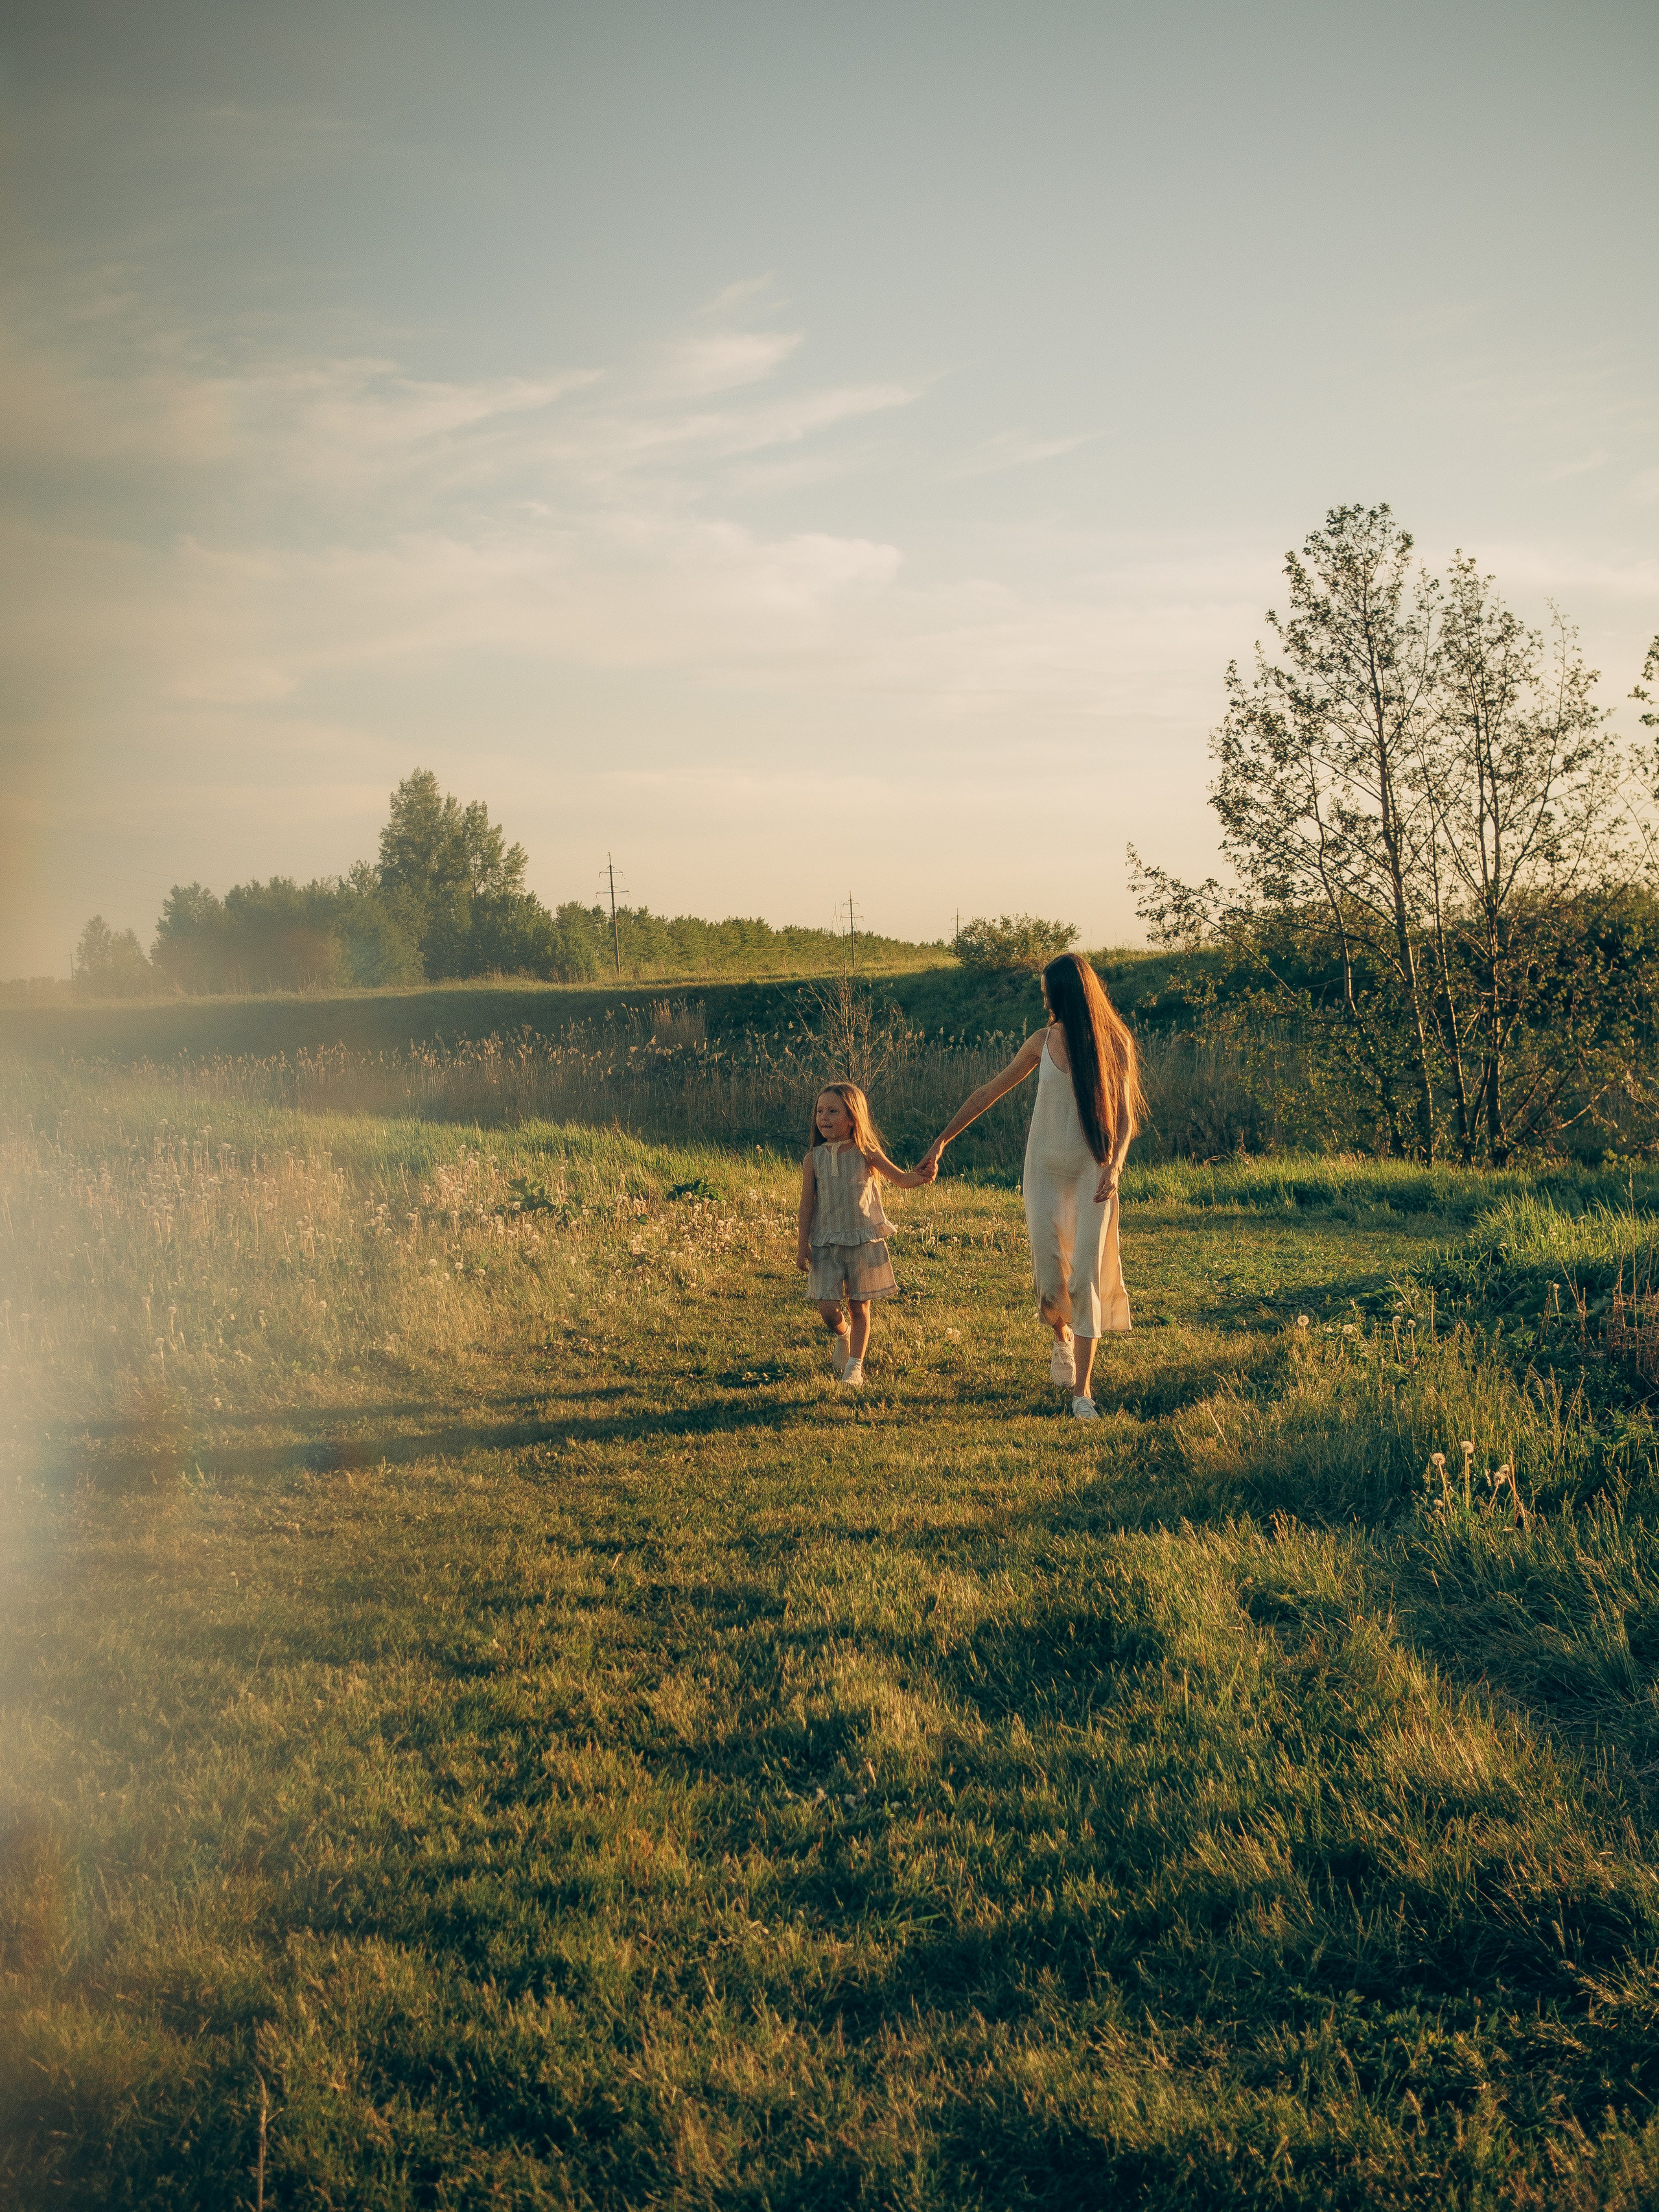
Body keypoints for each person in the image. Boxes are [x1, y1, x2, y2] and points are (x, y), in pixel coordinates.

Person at [922, 953, 1143, 1418]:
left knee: (1084, 1277)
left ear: (1068, 993)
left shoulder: (1115, 1042)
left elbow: (1126, 1120)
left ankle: (1082, 1393)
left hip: (1093, 1172)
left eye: (1049, 992)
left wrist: (1116, 1166)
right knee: (1050, 1284)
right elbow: (987, 1092)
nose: (1045, 1000)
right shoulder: (1042, 1041)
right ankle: (1060, 1338)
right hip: (1042, 1171)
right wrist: (942, 1140)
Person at [797, 1082, 936, 1388]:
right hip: (826, 1242)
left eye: (833, 1111)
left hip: (863, 1240)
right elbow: (807, 1204)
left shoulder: (867, 1153)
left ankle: (855, 1367)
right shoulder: (813, 1159)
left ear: (853, 1117)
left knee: (860, 1306)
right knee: (827, 1309)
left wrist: (922, 1176)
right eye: (820, 1111)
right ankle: (843, 1335)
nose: (824, 1117)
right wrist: (801, 1244)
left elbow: (900, 1179)